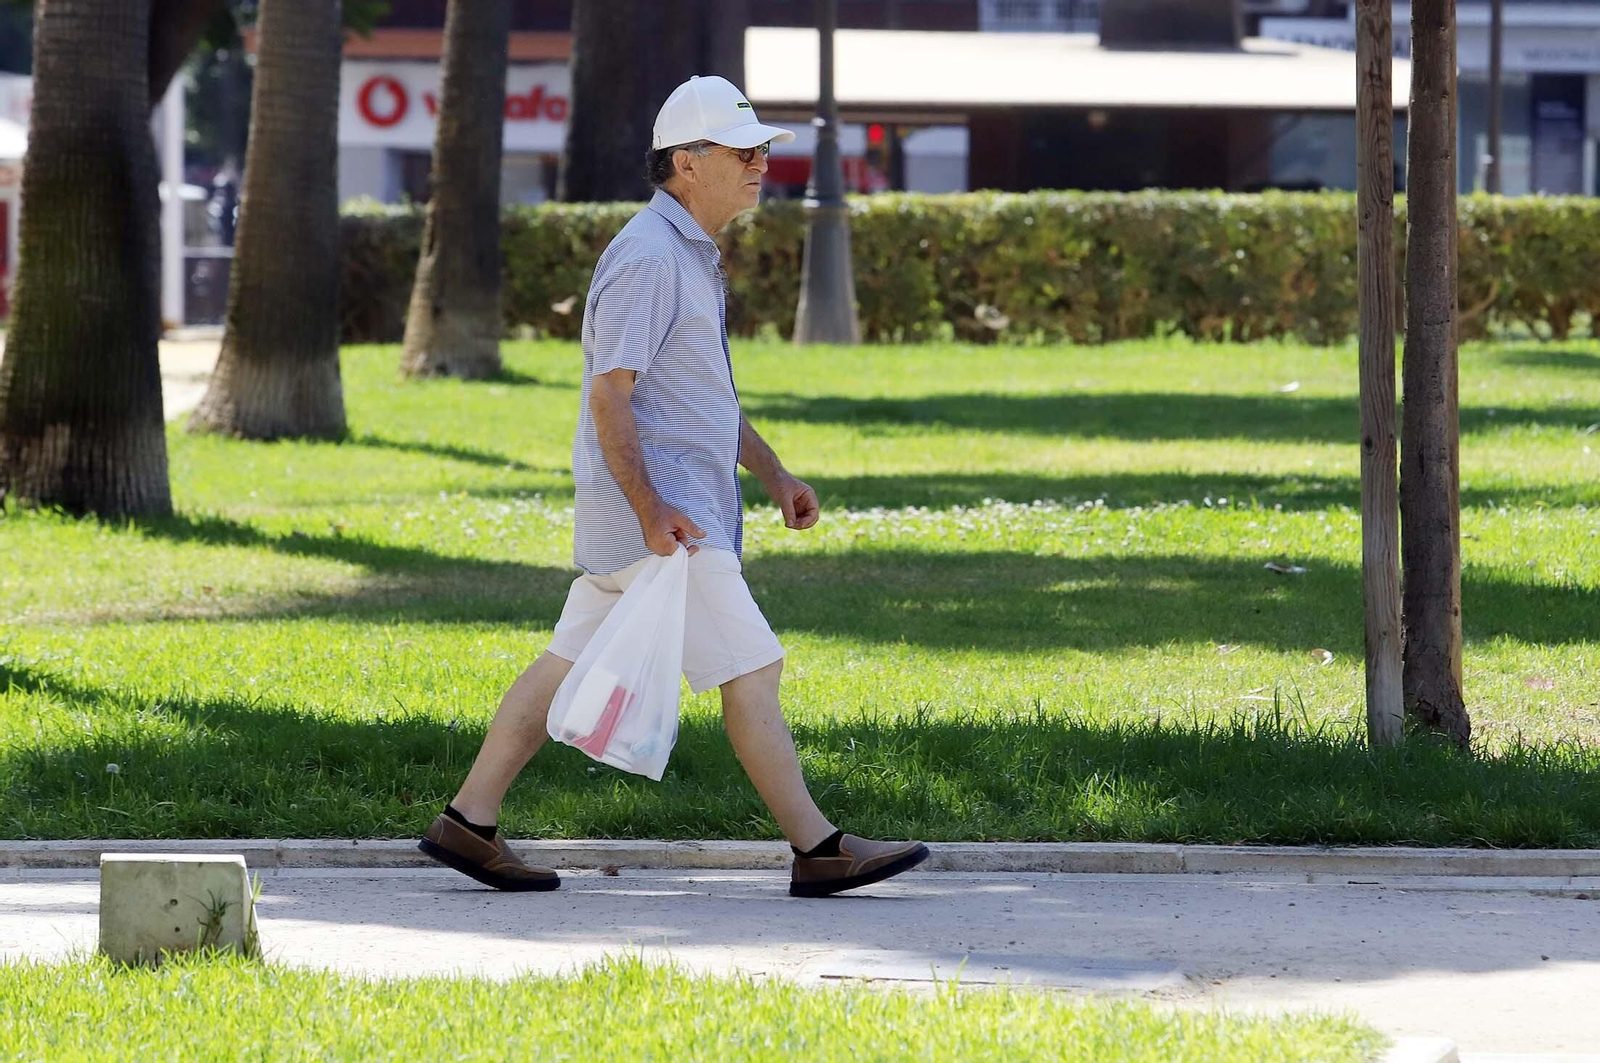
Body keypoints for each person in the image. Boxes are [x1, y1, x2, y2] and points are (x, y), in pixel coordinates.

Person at [419, 76, 929, 899]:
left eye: (762, 149)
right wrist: (654, 510)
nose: (762, 163)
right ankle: (818, 846)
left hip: (661, 516)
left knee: (563, 661)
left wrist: (773, 472)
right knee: (753, 670)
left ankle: (468, 821)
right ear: (687, 164)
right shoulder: (651, 257)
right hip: (671, 525)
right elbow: (608, 392)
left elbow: (700, 400)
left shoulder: (685, 252)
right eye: (744, 151)